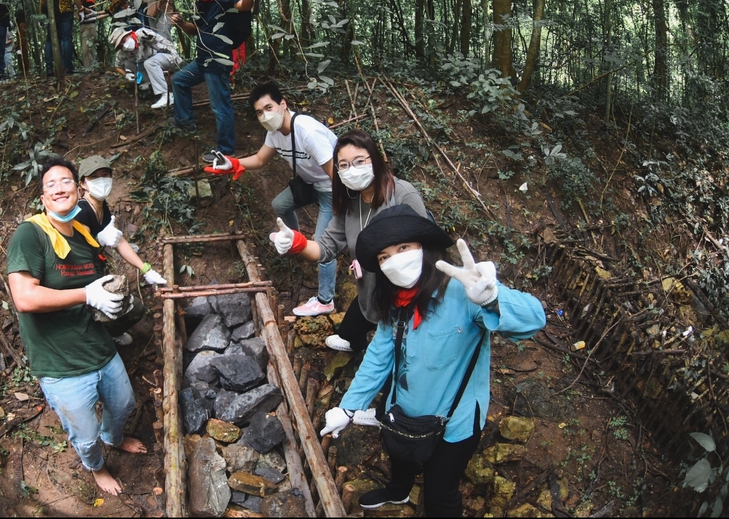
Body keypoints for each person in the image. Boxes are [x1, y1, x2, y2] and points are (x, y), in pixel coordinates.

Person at [320, 205, 546, 514]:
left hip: (455, 419)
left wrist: (494, 299)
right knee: (399, 456)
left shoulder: (464, 292)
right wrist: (349, 406)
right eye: (385, 257)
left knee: (440, 492)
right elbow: (379, 355)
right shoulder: (395, 301)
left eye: (403, 248)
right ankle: (398, 492)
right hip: (402, 406)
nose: (394, 260)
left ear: (423, 248)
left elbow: (533, 320)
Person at [6, 156, 147, 496]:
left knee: (124, 404)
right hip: (61, 364)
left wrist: (115, 303)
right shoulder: (31, 234)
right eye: (50, 184)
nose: (59, 188)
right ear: (42, 198)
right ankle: (96, 467)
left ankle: (113, 438)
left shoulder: (85, 232)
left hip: (99, 347)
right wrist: (86, 294)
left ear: (77, 188)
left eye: (65, 181)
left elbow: (100, 288)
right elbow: (24, 297)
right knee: (84, 435)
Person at [269, 129, 428, 353]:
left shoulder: (401, 194)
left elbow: (428, 244)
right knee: (351, 332)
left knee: (399, 350)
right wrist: (297, 242)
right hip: (369, 291)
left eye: (359, 161)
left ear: (375, 159)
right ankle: (357, 347)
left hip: (406, 296)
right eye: (343, 165)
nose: (351, 170)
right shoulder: (349, 203)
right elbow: (325, 248)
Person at [206, 81, 338, 314]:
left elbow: (335, 174)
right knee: (280, 205)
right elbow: (259, 159)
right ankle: (295, 242)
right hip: (308, 185)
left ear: (282, 105)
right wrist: (232, 164)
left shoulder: (307, 132)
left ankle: (326, 300)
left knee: (324, 244)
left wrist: (346, 209)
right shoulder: (274, 133)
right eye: (259, 112)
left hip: (330, 188)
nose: (265, 116)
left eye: (269, 108)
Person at [74, 156, 168, 345]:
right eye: (94, 177)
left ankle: (111, 333)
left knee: (131, 307)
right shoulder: (81, 212)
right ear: (83, 183)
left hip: (95, 270)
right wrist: (97, 239)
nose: (101, 180)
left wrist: (146, 270)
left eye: (105, 175)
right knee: (125, 308)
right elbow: (75, 251)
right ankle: (97, 339)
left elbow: (119, 241)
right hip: (79, 278)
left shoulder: (102, 207)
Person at [170, 0, 255, 163]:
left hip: (217, 61)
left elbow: (245, 5)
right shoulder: (201, 4)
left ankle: (226, 150)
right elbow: (196, 30)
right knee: (179, 80)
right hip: (203, 60)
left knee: (220, 106)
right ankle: (185, 121)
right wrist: (181, 23)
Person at [110, 26, 181, 109]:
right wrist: (126, 74)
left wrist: (148, 39)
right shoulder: (122, 53)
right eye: (120, 44)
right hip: (151, 66)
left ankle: (167, 95)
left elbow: (158, 41)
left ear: (128, 35)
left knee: (149, 62)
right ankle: (148, 82)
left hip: (169, 57)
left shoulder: (141, 34)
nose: (124, 45)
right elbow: (118, 66)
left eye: (123, 41)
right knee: (127, 62)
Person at [42, 0, 82, 76]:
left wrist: (41, 15)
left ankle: (49, 67)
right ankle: (67, 67)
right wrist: (80, 8)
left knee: (50, 39)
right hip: (65, 11)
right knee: (66, 38)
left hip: (51, 13)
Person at [77, 0, 100, 69]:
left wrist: (82, 8)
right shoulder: (79, 1)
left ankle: (89, 69)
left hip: (89, 26)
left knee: (86, 49)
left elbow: (90, 10)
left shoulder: (90, 0)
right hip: (83, 25)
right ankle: (90, 67)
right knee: (86, 49)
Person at [14, 9, 31, 79]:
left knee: (23, 59)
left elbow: (22, 37)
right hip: (21, 45)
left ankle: (25, 74)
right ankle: (23, 74)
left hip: (22, 46)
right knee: (22, 59)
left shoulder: (22, 25)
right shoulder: (22, 24)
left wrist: (19, 46)